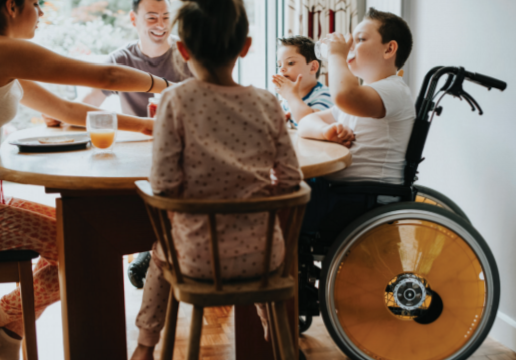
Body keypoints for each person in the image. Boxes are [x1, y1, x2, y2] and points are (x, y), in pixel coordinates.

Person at [130, 0, 303, 359]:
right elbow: (290, 180)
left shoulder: (175, 101)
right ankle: (276, 334)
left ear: (182, 49)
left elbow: (161, 184)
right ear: (246, 46)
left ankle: (145, 345)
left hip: (198, 259)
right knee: (260, 254)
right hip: (265, 257)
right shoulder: (267, 103)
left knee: (161, 253)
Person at [0, 0, 169, 356]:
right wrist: (169, 86)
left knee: (85, 236)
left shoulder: (9, 63)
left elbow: (67, 110)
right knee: (88, 245)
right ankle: (6, 321)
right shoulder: (5, 52)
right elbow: (106, 76)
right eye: (35, 4)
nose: (41, 13)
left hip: (1, 199)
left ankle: (9, 329)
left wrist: (142, 124)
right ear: (12, 6)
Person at [297, 8, 415, 239]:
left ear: (389, 49)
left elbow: (344, 95)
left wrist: (336, 55)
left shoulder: (393, 90)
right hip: (343, 194)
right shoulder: (364, 96)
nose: (350, 45)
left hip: (364, 200)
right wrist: (325, 130)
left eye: (359, 39)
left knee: (278, 200)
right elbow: (305, 121)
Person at [272, 35, 333, 127]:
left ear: (313, 67)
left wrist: (291, 95)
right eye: (279, 65)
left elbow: (310, 124)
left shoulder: (326, 95)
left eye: (290, 63)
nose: (281, 69)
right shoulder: (287, 100)